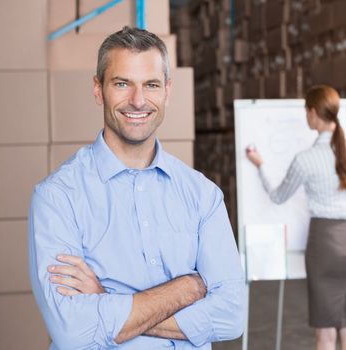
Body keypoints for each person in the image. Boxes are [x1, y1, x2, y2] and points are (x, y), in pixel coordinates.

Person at [28, 26, 246, 350]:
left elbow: (232, 317)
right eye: (122, 83)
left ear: (167, 91)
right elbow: (72, 331)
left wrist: (107, 302)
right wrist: (185, 289)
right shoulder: (58, 197)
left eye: (151, 85)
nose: (138, 100)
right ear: (98, 89)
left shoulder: (202, 194)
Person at [246, 85, 346, 350]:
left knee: (325, 333)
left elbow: (278, 196)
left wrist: (260, 165)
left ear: (313, 113)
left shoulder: (306, 159)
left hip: (325, 244)